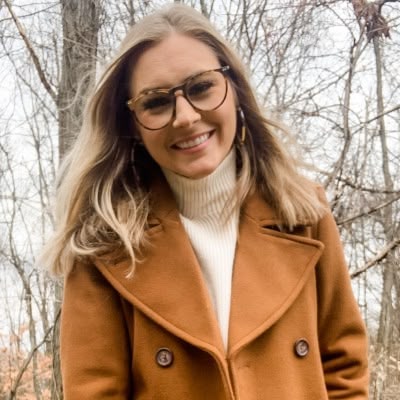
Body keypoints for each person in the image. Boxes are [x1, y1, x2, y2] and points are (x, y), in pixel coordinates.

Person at [42, 4, 369, 399]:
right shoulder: (102, 245)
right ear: (132, 124)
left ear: (235, 90)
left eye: (201, 88)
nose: (185, 117)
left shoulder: (302, 212)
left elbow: (345, 369)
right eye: (155, 102)